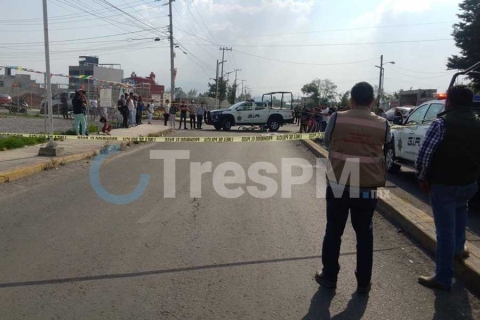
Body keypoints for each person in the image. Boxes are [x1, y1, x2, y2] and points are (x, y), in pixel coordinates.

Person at [316, 81, 390, 294]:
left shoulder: (337, 118)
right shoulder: (383, 123)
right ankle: (363, 282)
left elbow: (326, 140)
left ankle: (329, 276)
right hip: (367, 185)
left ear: (351, 99)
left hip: (339, 182)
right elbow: (386, 143)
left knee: (334, 231)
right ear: (372, 101)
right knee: (364, 233)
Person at [416, 85, 480, 291]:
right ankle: (459, 249)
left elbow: (425, 155)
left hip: (444, 183)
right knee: (461, 212)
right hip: (469, 182)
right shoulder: (478, 123)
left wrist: (422, 177)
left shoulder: (441, 123)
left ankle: (443, 277)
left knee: (444, 231)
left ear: (449, 101)